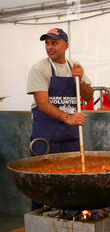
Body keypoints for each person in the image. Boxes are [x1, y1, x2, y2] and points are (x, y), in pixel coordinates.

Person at [26, 28, 93, 210]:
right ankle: (40, 226)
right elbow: (43, 103)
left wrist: (81, 79)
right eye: (47, 43)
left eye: (54, 43)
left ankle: (73, 222)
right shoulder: (40, 69)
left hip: (71, 139)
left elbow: (88, 96)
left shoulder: (75, 66)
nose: (49, 47)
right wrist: (68, 118)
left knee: (72, 184)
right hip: (46, 138)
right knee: (42, 184)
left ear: (66, 45)